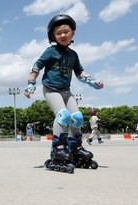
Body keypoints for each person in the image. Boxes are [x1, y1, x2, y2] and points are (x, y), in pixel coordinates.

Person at [23, 14, 103, 171]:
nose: (63, 35)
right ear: (53, 36)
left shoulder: (73, 55)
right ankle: (58, 149)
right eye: (58, 33)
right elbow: (36, 67)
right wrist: (31, 84)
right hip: (51, 89)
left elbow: (80, 73)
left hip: (66, 91)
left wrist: (92, 82)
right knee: (63, 116)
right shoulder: (50, 52)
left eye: (66, 31)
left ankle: (74, 148)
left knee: (77, 117)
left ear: (72, 32)